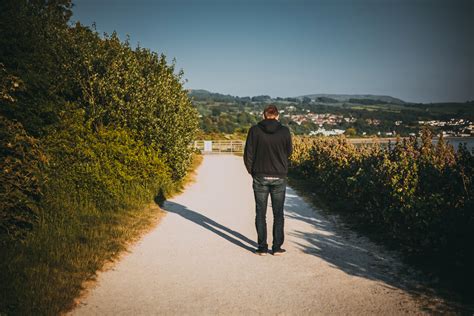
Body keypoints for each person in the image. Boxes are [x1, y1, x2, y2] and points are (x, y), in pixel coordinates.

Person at [243, 104, 293, 256]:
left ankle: (262, 247)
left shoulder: (254, 130)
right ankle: (277, 247)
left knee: (261, 213)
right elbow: (289, 152)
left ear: (263, 115)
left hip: (260, 176)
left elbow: (248, 154)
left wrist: (253, 172)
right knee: (278, 213)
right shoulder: (285, 131)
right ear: (277, 116)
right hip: (279, 176)